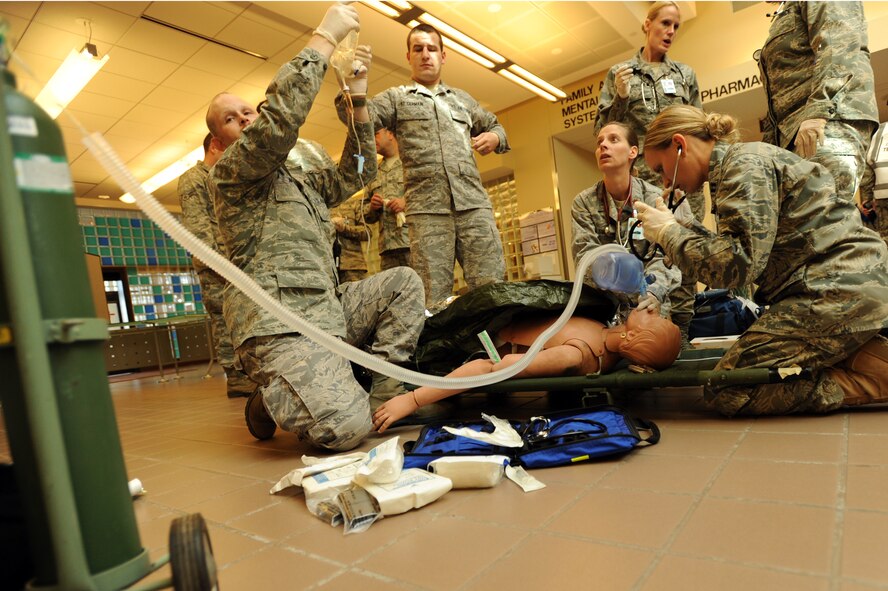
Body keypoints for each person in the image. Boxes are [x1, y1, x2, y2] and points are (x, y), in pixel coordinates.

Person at [207, 4, 430, 451]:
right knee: (346, 429)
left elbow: (359, 171)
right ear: (218, 141)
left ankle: (383, 396)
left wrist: (360, 99)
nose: (246, 118)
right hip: (278, 324)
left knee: (404, 283)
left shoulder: (301, 179)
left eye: (247, 111)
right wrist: (324, 39)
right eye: (233, 118)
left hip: (327, 312)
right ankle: (267, 402)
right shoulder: (232, 175)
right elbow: (278, 123)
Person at [634, 105, 888, 417]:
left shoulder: (742, 168)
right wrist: (684, 229)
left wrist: (670, 235)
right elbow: (743, 247)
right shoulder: (740, 163)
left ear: (679, 144)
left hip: (834, 289)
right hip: (844, 283)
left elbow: (738, 268)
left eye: (661, 169)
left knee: (727, 388)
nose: (663, 182)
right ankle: (864, 355)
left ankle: (874, 380)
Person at [336, 23, 509, 307]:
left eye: (432, 48)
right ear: (408, 56)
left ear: (443, 55)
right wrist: (353, 88)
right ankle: (448, 353)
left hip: (474, 206)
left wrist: (494, 137)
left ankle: (500, 352)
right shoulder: (397, 98)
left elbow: (495, 126)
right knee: (434, 298)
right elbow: (359, 121)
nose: (425, 54)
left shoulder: (462, 100)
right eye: (418, 49)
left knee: (493, 289)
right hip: (428, 213)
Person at [372, 308, 681, 432]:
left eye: (655, 320)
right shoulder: (603, 329)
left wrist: (411, 400)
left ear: (631, 338)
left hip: (481, 345)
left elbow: (489, 369)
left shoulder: (576, 355)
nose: (653, 310)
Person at [593, 0, 702, 346]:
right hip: (644, 183)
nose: (670, 32)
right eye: (665, 23)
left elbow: (699, 129)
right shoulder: (620, 73)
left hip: (683, 182)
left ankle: (682, 334)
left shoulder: (685, 75)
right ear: (647, 24)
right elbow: (603, 129)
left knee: (686, 257)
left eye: (675, 26)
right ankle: (649, 335)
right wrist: (621, 99)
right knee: (649, 258)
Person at [757, 1, 879, 203]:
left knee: (822, 220)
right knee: (806, 227)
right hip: (794, 133)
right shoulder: (785, 10)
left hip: (826, 122)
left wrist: (818, 112)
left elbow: (839, 46)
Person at [572, 122, 682, 318]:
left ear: (632, 152)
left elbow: (666, 257)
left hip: (649, 306)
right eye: (599, 143)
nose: (603, 146)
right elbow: (584, 256)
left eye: (613, 139)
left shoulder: (655, 199)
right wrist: (618, 273)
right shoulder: (584, 202)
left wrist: (652, 293)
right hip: (604, 310)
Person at [177, 133, 256, 398]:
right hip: (216, 268)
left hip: (235, 265)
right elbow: (198, 234)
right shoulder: (194, 179)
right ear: (215, 146)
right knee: (224, 321)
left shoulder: (224, 179)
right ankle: (236, 378)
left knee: (241, 320)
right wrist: (220, 266)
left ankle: (246, 372)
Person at [365, 128, 411, 270]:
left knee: (424, 289)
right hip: (388, 248)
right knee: (392, 291)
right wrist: (372, 207)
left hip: (413, 243)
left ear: (390, 134)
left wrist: (406, 202)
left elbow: (431, 194)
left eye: (376, 134)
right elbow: (365, 214)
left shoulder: (411, 164)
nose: (372, 140)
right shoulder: (373, 174)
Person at [330, 194, 370, 283]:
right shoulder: (319, 203)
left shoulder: (353, 203)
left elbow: (367, 232)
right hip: (327, 268)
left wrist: (345, 229)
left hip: (353, 267)